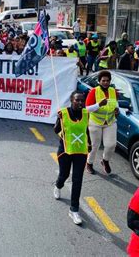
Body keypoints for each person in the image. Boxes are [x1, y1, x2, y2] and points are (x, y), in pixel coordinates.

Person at [53, 91, 90, 225]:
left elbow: (86, 130)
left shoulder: (86, 113)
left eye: (82, 100)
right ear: (71, 100)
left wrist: (89, 143)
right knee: (64, 175)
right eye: (77, 100)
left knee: (77, 180)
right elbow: (56, 130)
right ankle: (58, 185)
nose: (80, 103)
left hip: (81, 151)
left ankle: (74, 210)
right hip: (65, 151)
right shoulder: (63, 113)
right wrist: (60, 121)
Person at [85, 70, 118, 175]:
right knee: (95, 145)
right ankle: (89, 163)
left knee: (111, 145)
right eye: (103, 80)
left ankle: (105, 160)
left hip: (110, 122)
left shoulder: (113, 91)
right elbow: (87, 109)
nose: (105, 83)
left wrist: (117, 109)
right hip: (96, 122)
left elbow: (115, 104)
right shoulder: (94, 91)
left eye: (107, 81)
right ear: (99, 81)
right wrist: (99, 104)